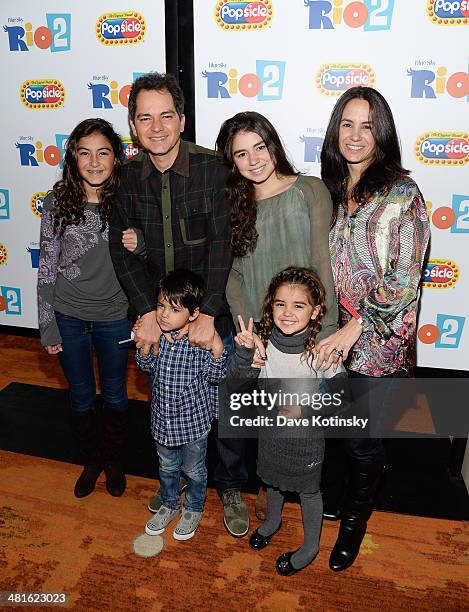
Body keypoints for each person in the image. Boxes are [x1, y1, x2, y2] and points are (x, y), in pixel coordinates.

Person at [108, 73, 248, 537]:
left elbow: (223, 247)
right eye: (144, 117)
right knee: (170, 398)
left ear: (182, 120)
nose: (156, 126)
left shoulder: (213, 170)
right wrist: (147, 313)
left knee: (223, 404)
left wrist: (207, 315)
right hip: (158, 317)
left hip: (210, 315)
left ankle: (226, 486)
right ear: (133, 125)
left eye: (166, 115)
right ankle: (174, 486)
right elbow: (120, 251)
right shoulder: (126, 178)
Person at [316, 86, 430, 571]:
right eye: (347, 124)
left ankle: (354, 523)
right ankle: (346, 494)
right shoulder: (335, 188)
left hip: (379, 343)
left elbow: (403, 282)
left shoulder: (403, 194)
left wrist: (354, 329)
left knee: (364, 440)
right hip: (337, 335)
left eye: (367, 125)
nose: (356, 135)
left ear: (381, 133)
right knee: (344, 428)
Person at [215, 111, 338, 519]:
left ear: (274, 145)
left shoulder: (310, 190)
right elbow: (235, 272)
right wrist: (242, 320)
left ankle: (305, 485)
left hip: (306, 330)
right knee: (264, 412)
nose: (253, 160)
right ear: (232, 162)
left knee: (302, 416)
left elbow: (323, 262)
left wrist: (328, 334)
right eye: (241, 154)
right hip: (259, 334)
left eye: (259, 148)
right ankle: (270, 485)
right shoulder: (237, 204)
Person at [228, 267, 345, 575]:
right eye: (280, 304)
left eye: (299, 305)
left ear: (316, 310)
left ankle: (310, 546)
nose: (288, 313)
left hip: (306, 443)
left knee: (308, 492)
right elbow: (238, 386)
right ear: (270, 306)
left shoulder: (321, 351)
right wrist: (243, 354)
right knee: (271, 480)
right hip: (270, 437)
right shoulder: (262, 343)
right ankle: (272, 521)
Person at [37, 118, 131, 498]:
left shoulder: (128, 199)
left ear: (115, 158)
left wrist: (138, 242)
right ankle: (91, 461)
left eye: (103, 152)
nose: (94, 162)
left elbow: (147, 257)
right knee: (80, 394)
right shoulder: (58, 201)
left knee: (115, 394)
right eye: (85, 153)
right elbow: (47, 265)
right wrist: (47, 325)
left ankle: (113, 460)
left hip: (115, 316)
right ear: (73, 158)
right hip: (68, 315)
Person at [135, 270, 226, 540]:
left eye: (174, 309)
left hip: (193, 424)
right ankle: (170, 504)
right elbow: (145, 366)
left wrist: (218, 349)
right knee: (166, 468)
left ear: (194, 313)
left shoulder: (200, 341)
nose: (164, 314)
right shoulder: (159, 337)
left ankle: (194, 508)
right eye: (161, 306)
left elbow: (216, 376)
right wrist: (142, 347)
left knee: (194, 470)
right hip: (162, 421)